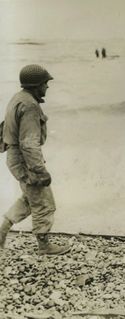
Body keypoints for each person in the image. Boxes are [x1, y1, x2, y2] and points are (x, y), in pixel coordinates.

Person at [0, 64, 70, 255]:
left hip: (15, 157)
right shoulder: (30, 105)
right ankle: (44, 244)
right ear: (36, 85)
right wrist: (39, 170)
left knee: (31, 197)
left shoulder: (18, 98)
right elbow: (29, 144)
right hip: (25, 159)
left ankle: (3, 229)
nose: (47, 87)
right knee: (44, 200)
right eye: (45, 83)